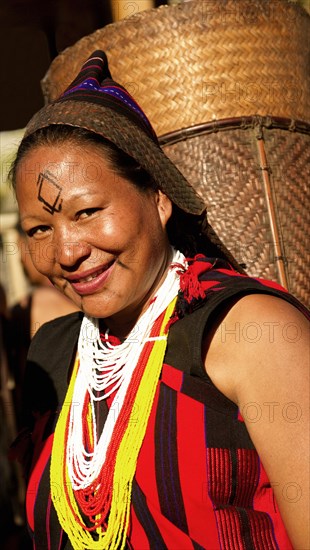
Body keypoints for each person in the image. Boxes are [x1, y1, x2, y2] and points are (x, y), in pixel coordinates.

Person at [9, 50, 309, 550]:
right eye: (39, 229)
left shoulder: (247, 332)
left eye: (87, 212)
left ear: (158, 198)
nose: (66, 252)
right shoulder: (52, 353)